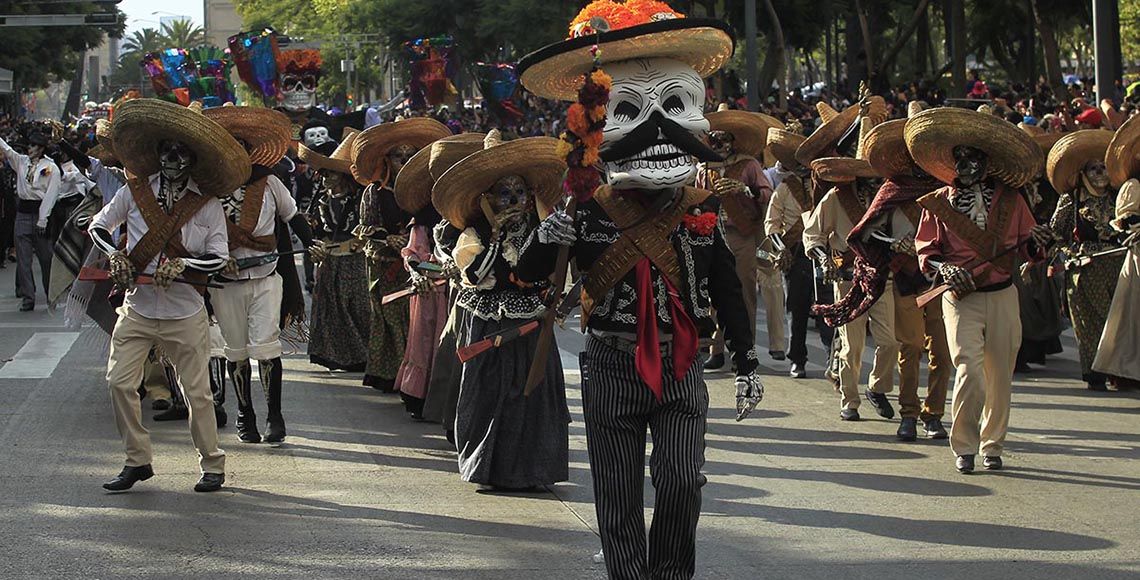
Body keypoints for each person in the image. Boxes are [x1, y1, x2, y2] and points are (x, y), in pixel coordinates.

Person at [516, 5, 763, 577]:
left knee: (682, 480)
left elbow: (727, 290)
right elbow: (530, 275)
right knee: (616, 492)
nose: (659, 130)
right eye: (630, 111)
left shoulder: (698, 213)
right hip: (610, 363)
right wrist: (543, 235)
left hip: (682, 365)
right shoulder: (586, 211)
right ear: (596, 130)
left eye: (677, 107)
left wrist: (747, 361)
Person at [88, 98, 249, 492]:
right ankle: (137, 460)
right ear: (157, 154)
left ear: (192, 159)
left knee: (198, 393)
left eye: (181, 152)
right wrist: (115, 256)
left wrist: (184, 266)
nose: (173, 158)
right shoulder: (134, 192)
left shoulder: (207, 205)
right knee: (118, 382)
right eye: (167, 150)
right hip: (138, 308)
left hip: (184, 311)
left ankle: (212, 463)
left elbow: (219, 258)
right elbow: (98, 225)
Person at [909, 107, 1055, 474]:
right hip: (960, 298)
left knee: (1000, 374)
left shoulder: (1011, 200)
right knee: (969, 370)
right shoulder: (938, 204)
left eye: (973, 159)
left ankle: (993, 444)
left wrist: (1040, 243)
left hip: (1004, 293)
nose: (965, 166)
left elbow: (1028, 249)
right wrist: (946, 269)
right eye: (960, 159)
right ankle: (964, 446)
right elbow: (926, 252)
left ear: (987, 163)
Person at [433, 131, 570, 489]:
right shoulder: (473, 231)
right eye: (505, 193)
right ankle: (489, 468)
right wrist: (494, 234)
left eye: (520, 192)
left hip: (531, 320)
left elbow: (553, 269)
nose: (514, 200)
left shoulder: (539, 226)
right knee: (490, 394)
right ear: (488, 198)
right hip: (489, 321)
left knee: (534, 394)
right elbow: (476, 275)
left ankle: (534, 470)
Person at [816, 102, 951, 440]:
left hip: (939, 279)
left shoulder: (946, 189)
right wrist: (888, 248)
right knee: (902, 346)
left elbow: (958, 231)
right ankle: (905, 411)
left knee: (940, 353)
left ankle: (932, 414)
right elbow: (863, 236)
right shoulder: (885, 192)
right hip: (888, 278)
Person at [203, 105, 315, 443]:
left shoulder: (270, 184)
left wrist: (313, 244)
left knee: (266, 346)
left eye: (242, 147)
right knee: (234, 349)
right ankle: (244, 413)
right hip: (224, 283)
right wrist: (214, 259)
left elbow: (294, 217)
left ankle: (275, 416)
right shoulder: (208, 189)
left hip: (266, 278)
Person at [804, 113, 900, 422]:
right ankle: (850, 399)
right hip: (847, 278)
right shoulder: (836, 198)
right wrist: (823, 259)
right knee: (852, 346)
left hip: (881, 276)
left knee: (889, 342)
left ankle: (878, 387)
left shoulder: (889, 199)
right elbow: (813, 234)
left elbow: (902, 233)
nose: (872, 183)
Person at [348, 118, 451, 392]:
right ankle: (387, 374)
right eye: (398, 156)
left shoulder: (423, 193)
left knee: (417, 323)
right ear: (387, 159)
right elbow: (364, 228)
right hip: (385, 266)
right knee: (391, 319)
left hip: (419, 263)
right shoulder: (375, 192)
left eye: (409, 156)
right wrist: (387, 238)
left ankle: (412, 379)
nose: (403, 161)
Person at [390, 132, 478, 419]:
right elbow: (412, 251)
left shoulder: (473, 214)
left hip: (462, 292)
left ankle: (452, 404)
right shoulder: (424, 216)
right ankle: (419, 397)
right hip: (430, 293)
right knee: (426, 342)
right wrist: (418, 273)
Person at [697, 105, 784, 370]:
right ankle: (717, 349)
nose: (719, 143)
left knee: (744, 292)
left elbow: (768, 195)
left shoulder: (749, 165)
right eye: (715, 138)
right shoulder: (704, 168)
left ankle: (745, 351)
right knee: (713, 293)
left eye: (724, 138)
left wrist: (744, 189)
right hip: (713, 235)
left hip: (742, 234)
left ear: (733, 140)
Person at [1045, 130, 1125, 391]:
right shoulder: (1071, 200)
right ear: (1083, 173)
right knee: (1091, 323)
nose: (1100, 173)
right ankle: (1095, 373)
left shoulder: (1118, 197)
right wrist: (1066, 254)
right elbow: (1057, 234)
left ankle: (1120, 371)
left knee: (1119, 321)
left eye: (1104, 167)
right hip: (1086, 270)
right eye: (1094, 168)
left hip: (1119, 266)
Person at [301, 129, 371, 372]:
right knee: (331, 311)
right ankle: (335, 356)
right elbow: (317, 232)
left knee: (356, 309)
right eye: (322, 174)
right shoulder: (320, 200)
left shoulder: (360, 199)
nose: (325, 179)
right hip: (329, 262)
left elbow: (364, 233)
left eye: (329, 174)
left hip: (354, 262)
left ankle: (362, 356)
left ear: (343, 176)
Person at [764, 121, 815, 378]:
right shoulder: (784, 189)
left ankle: (835, 360)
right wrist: (780, 249)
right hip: (795, 255)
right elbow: (770, 225)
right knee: (797, 308)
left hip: (822, 255)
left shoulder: (824, 188)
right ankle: (798, 359)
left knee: (827, 305)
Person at [0, 130, 59, 311]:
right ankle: (28, 297)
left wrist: (43, 219)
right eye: (30, 146)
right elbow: (7, 150)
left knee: (45, 258)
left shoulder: (51, 167)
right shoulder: (21, 162)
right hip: (23, 213)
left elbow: (51, 194)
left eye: (34, 146)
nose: (30, 149)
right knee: (23, 260)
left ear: (41, 149)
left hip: (40, 213)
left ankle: (51, 294)